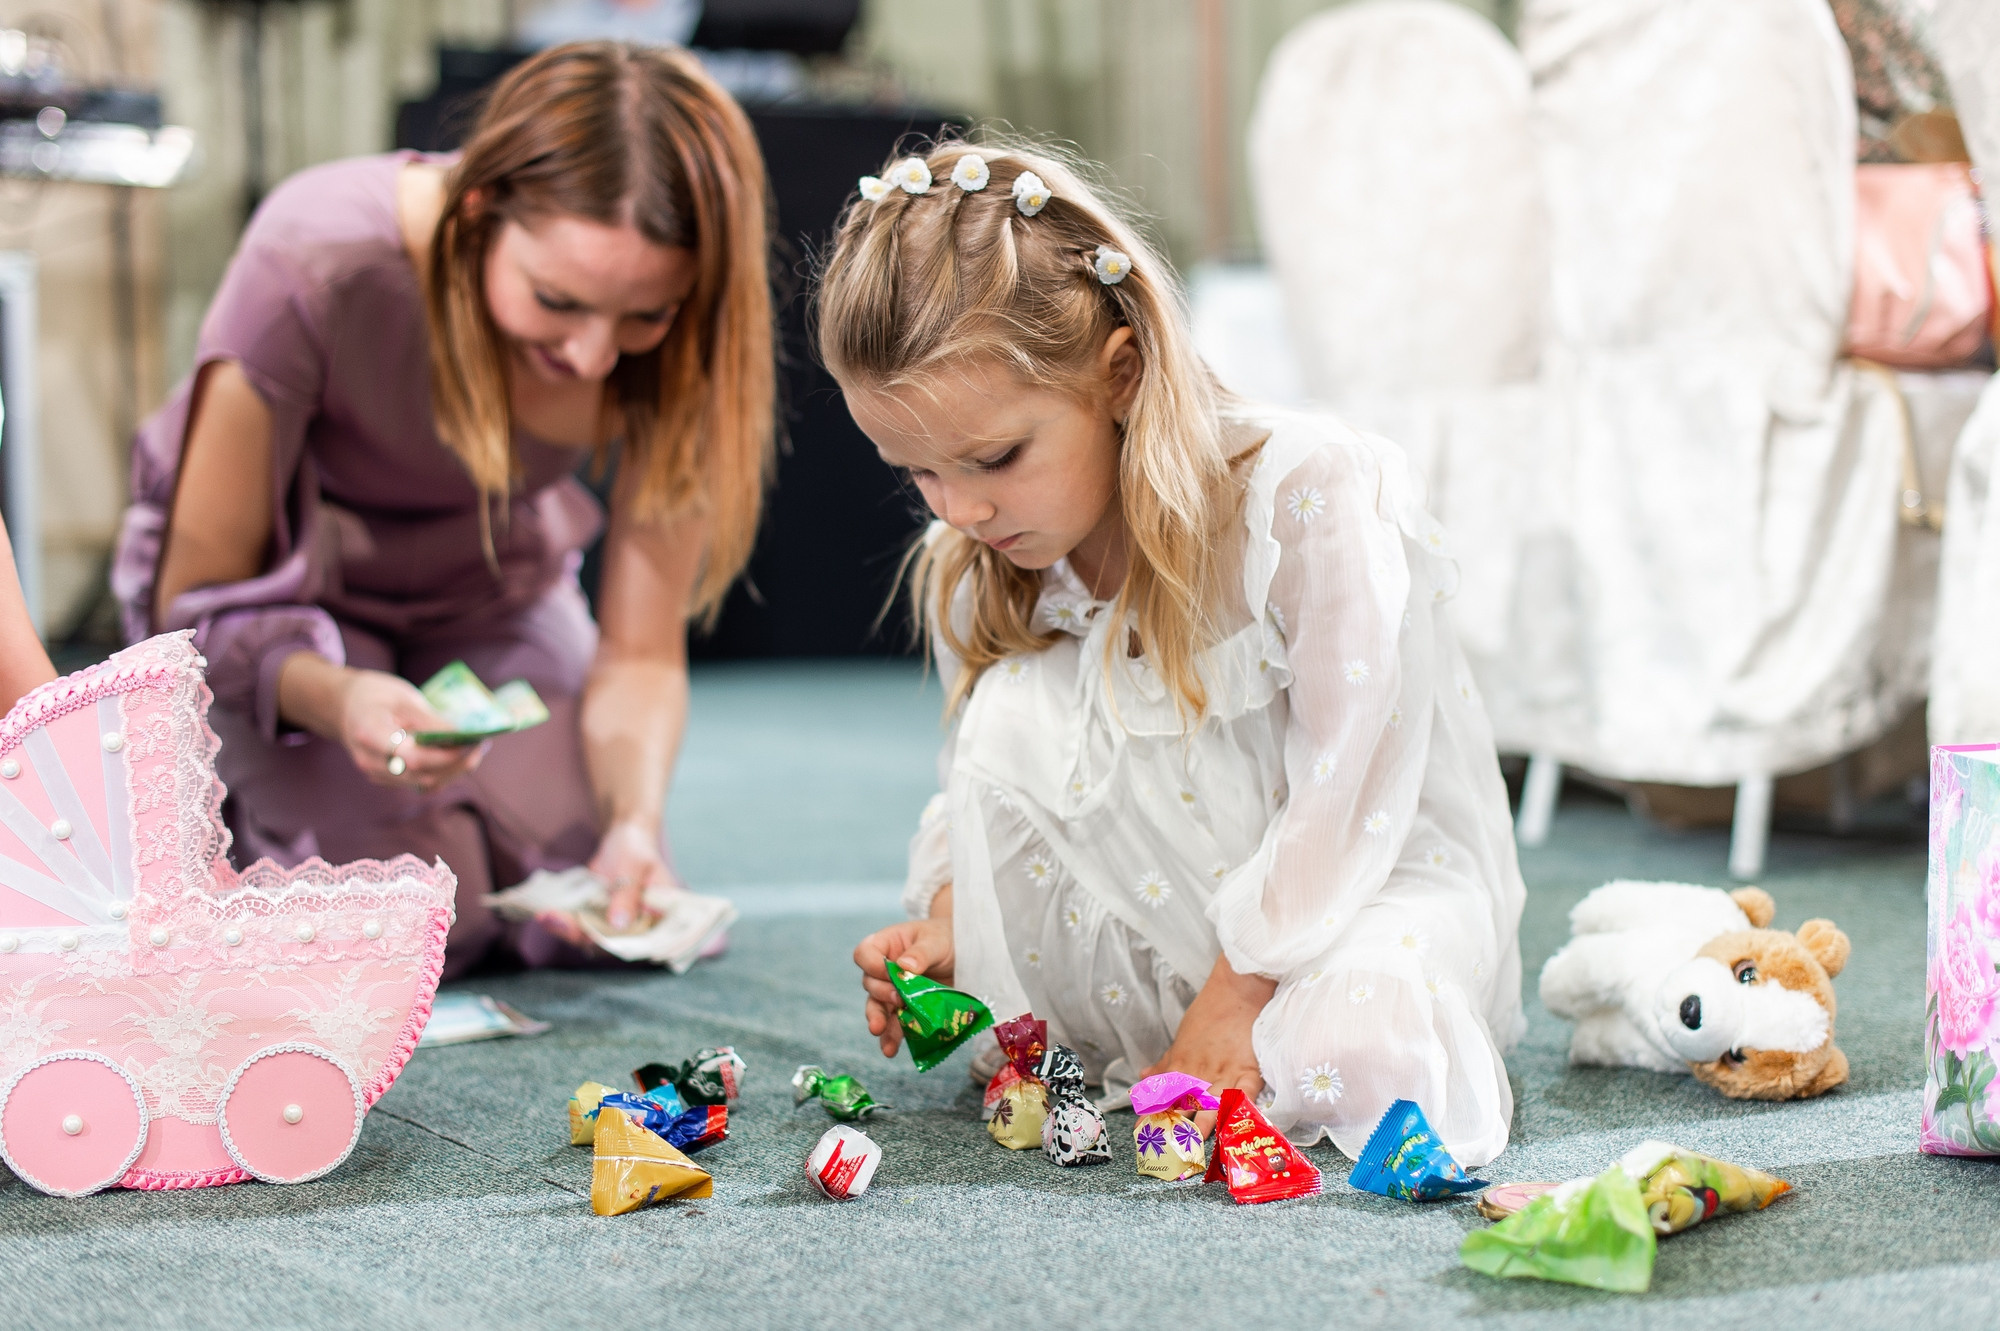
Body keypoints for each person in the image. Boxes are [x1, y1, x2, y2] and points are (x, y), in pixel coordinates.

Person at [826, 142, 1526, 1162]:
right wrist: (949, 918)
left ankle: (1239, 1014)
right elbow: (981, 780)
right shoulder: (975, 550)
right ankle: (1191, 1020)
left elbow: (1349, 782)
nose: (959, 507)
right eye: (912, 470)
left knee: (1360, 1047)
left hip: (1353, 876)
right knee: (1015, 709)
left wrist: (1242, 989)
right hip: (1168, 899)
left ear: (1118, 374)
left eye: (993, 458)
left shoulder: (1305, 492)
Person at [111, 42, 774, 977]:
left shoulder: (686, 341)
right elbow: (191, 608)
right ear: (475, 211)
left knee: (584, 879)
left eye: (643, 319)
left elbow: (640, 650)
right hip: (285, 618)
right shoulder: (315, 256)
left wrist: (636, 823)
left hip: (490, 594)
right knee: (402, 917)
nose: (593, 357)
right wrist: (336, 697)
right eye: (557, 301)